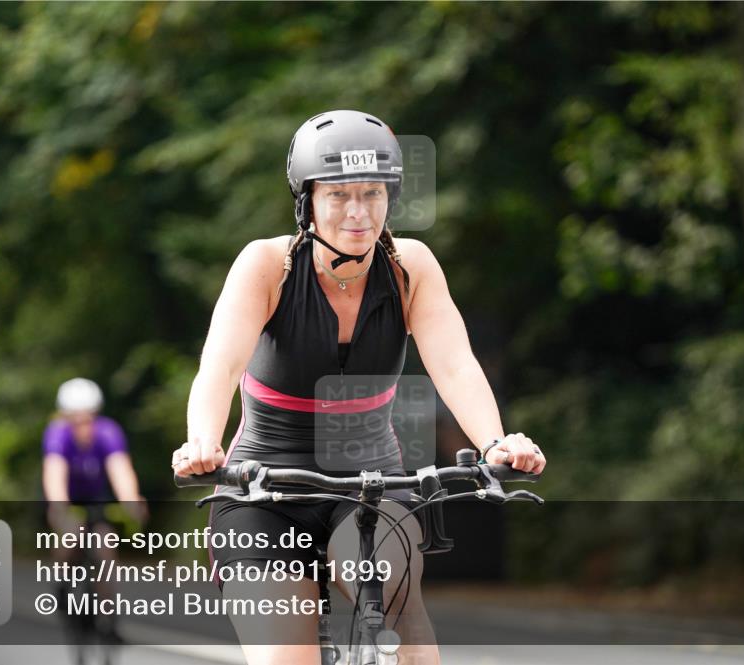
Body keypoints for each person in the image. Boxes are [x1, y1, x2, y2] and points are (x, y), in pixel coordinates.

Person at [172, 109, 547, 665]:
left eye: (372, 193)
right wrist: (203, 440)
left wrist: (495, 443)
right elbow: (219, 367)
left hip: (369, 488)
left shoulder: (409, 267)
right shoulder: (267, 266)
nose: (357, 212)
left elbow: (455, 366)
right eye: (339, 194)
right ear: (307, 201)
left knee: (402, 617)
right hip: (264, 492)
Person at [42, 377, 146, 565]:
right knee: (70, 535)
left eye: (88, 417)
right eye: (75, 419)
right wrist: (58, 504)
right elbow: (54, 471)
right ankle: (62, 585)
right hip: (68, 497)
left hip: (97, 498)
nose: (83, 424)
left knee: (105, 546)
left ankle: (105, 592)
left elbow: (120, 469)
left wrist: (130, 499)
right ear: (66, 417)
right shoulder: (57, 433)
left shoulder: (108, 432)